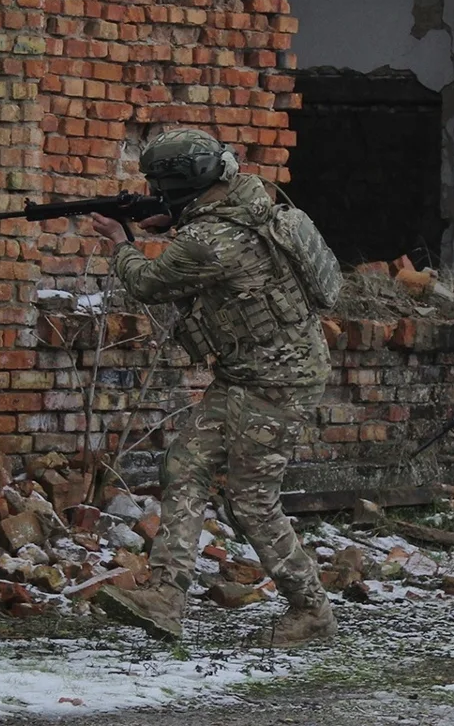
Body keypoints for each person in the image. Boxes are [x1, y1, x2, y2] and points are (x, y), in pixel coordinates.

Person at [88, 128, 336, 647]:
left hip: (278, 383)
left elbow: (149, 283)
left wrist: (119, 242)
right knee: (184, 464)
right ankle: (166, 596)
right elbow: (209, 235)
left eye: (160, 185)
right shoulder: (249, 203)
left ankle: (311, 611)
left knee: (252, 503)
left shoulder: (210, 239)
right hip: (252, 373)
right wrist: (171, 219)